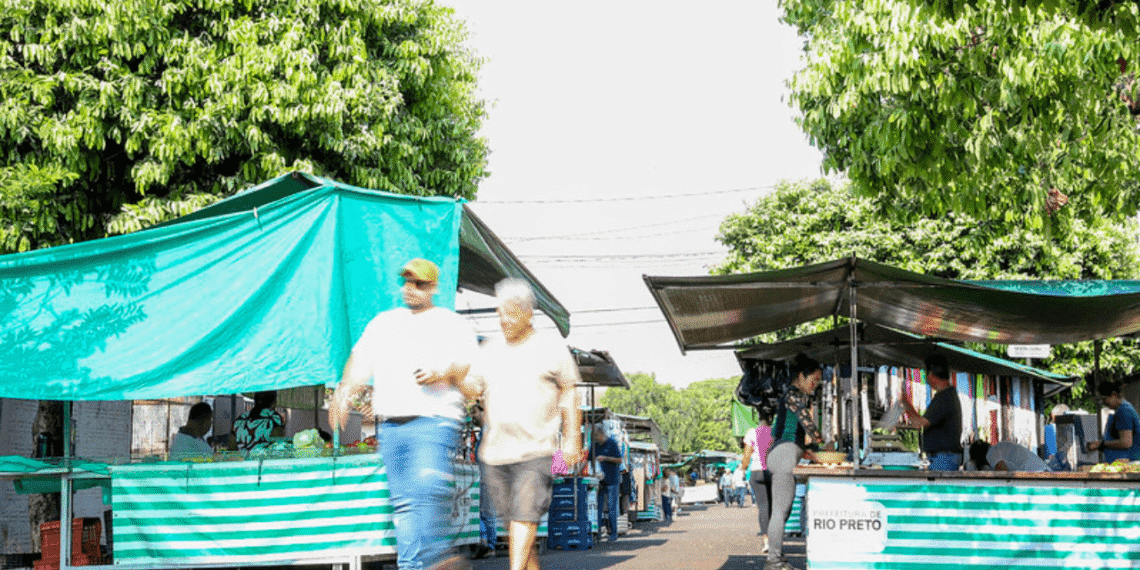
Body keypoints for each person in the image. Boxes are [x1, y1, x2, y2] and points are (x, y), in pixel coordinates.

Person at [329, 258, 478, 570]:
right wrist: (344, 393)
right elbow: (359, 362)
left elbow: (474, 385)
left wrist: (445, 372)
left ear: (434, 287)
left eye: (420, 283)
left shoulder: (453, 325)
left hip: (434, 422)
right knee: (404, 504)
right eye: (408, 282)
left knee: (427, 488)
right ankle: (413, 567)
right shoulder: (384, 323)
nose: (412, 288)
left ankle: (438, 558)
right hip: (393, 427)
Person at [463, 278, 583, 570]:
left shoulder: (550, 347)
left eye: (512, 311)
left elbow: (569, 390)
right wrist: (454, 376)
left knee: (524, 518)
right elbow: (472, 388)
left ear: (528, 312)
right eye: (500, 311)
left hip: (537, 450)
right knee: (518, 528)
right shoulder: (489, 350)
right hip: (495, 453)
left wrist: (571, 439)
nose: (504, 318)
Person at [766, 353, 830, 570]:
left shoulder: (791, 397)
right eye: (814, 379)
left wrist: (808, 450)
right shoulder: (793, 395)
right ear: (801, 376)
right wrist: (821, 442)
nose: (816, 384)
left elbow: (791, 433)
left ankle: (777, 558)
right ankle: (773, 561)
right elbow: (806, 421)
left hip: (783, 454)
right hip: (783, 456)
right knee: (780, 511)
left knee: (783, 509)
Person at [902, 355, 963, 471]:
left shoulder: (945, 398)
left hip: (944, 458)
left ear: (930, 374)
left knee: (940, 488)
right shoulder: (945, 396)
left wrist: (905, 403)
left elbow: (919, 423)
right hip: (943, 457)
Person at [1085, 381, 1140, 462]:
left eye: (1104, 399)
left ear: (1114, 395)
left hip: (1129, 463)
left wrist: (1101, 444)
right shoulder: (1122, 410)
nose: (1103, 403)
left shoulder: (1124, 411)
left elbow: (1126, 442)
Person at [742, 421, 773, 552]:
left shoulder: (751, 432)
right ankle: (776, 539)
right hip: (773, 472)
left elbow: (747, 455)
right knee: (775, 507)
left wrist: (743, 467)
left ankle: (766, 541)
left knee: (763, 507)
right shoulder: (775, 432)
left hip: (756, 472)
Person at [592, 425, 623, 542]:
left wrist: (605, 458)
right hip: (599, 481)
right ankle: (598, 532)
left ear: (602, 434)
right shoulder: (595, 445)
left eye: (597, 437)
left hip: (612, 481)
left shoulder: (612, 443)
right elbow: (589, 458)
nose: (596, 440)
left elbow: (620, 460)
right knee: (597, 507)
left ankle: (613, 533)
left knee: (611, 507)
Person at [969, 440, 1048, 472]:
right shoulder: (1000, 447)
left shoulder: (991, 453)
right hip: (1042, 471)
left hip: (1038, 475)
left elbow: (1002, 473)